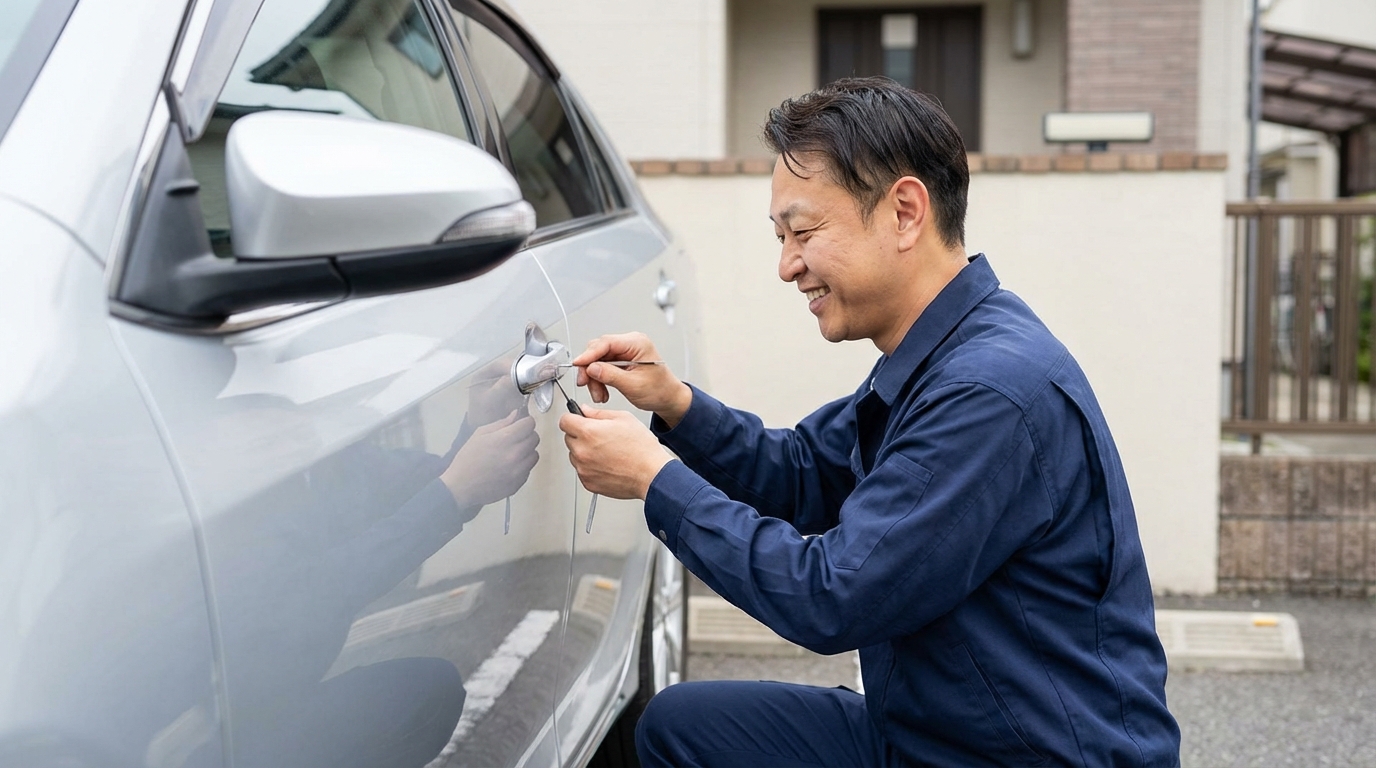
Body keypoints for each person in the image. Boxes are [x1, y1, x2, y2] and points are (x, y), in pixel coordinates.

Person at [558, 77, 1181, 767]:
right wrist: (674, 402)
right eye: (779, 237)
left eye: (803, 231)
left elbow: (832, 595)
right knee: (682, 726)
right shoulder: (942, 352)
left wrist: (655, 480)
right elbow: (803, 473)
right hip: (939, 733)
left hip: (1025, 756)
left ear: (905, 212)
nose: (787, 265)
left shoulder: (989, 391)